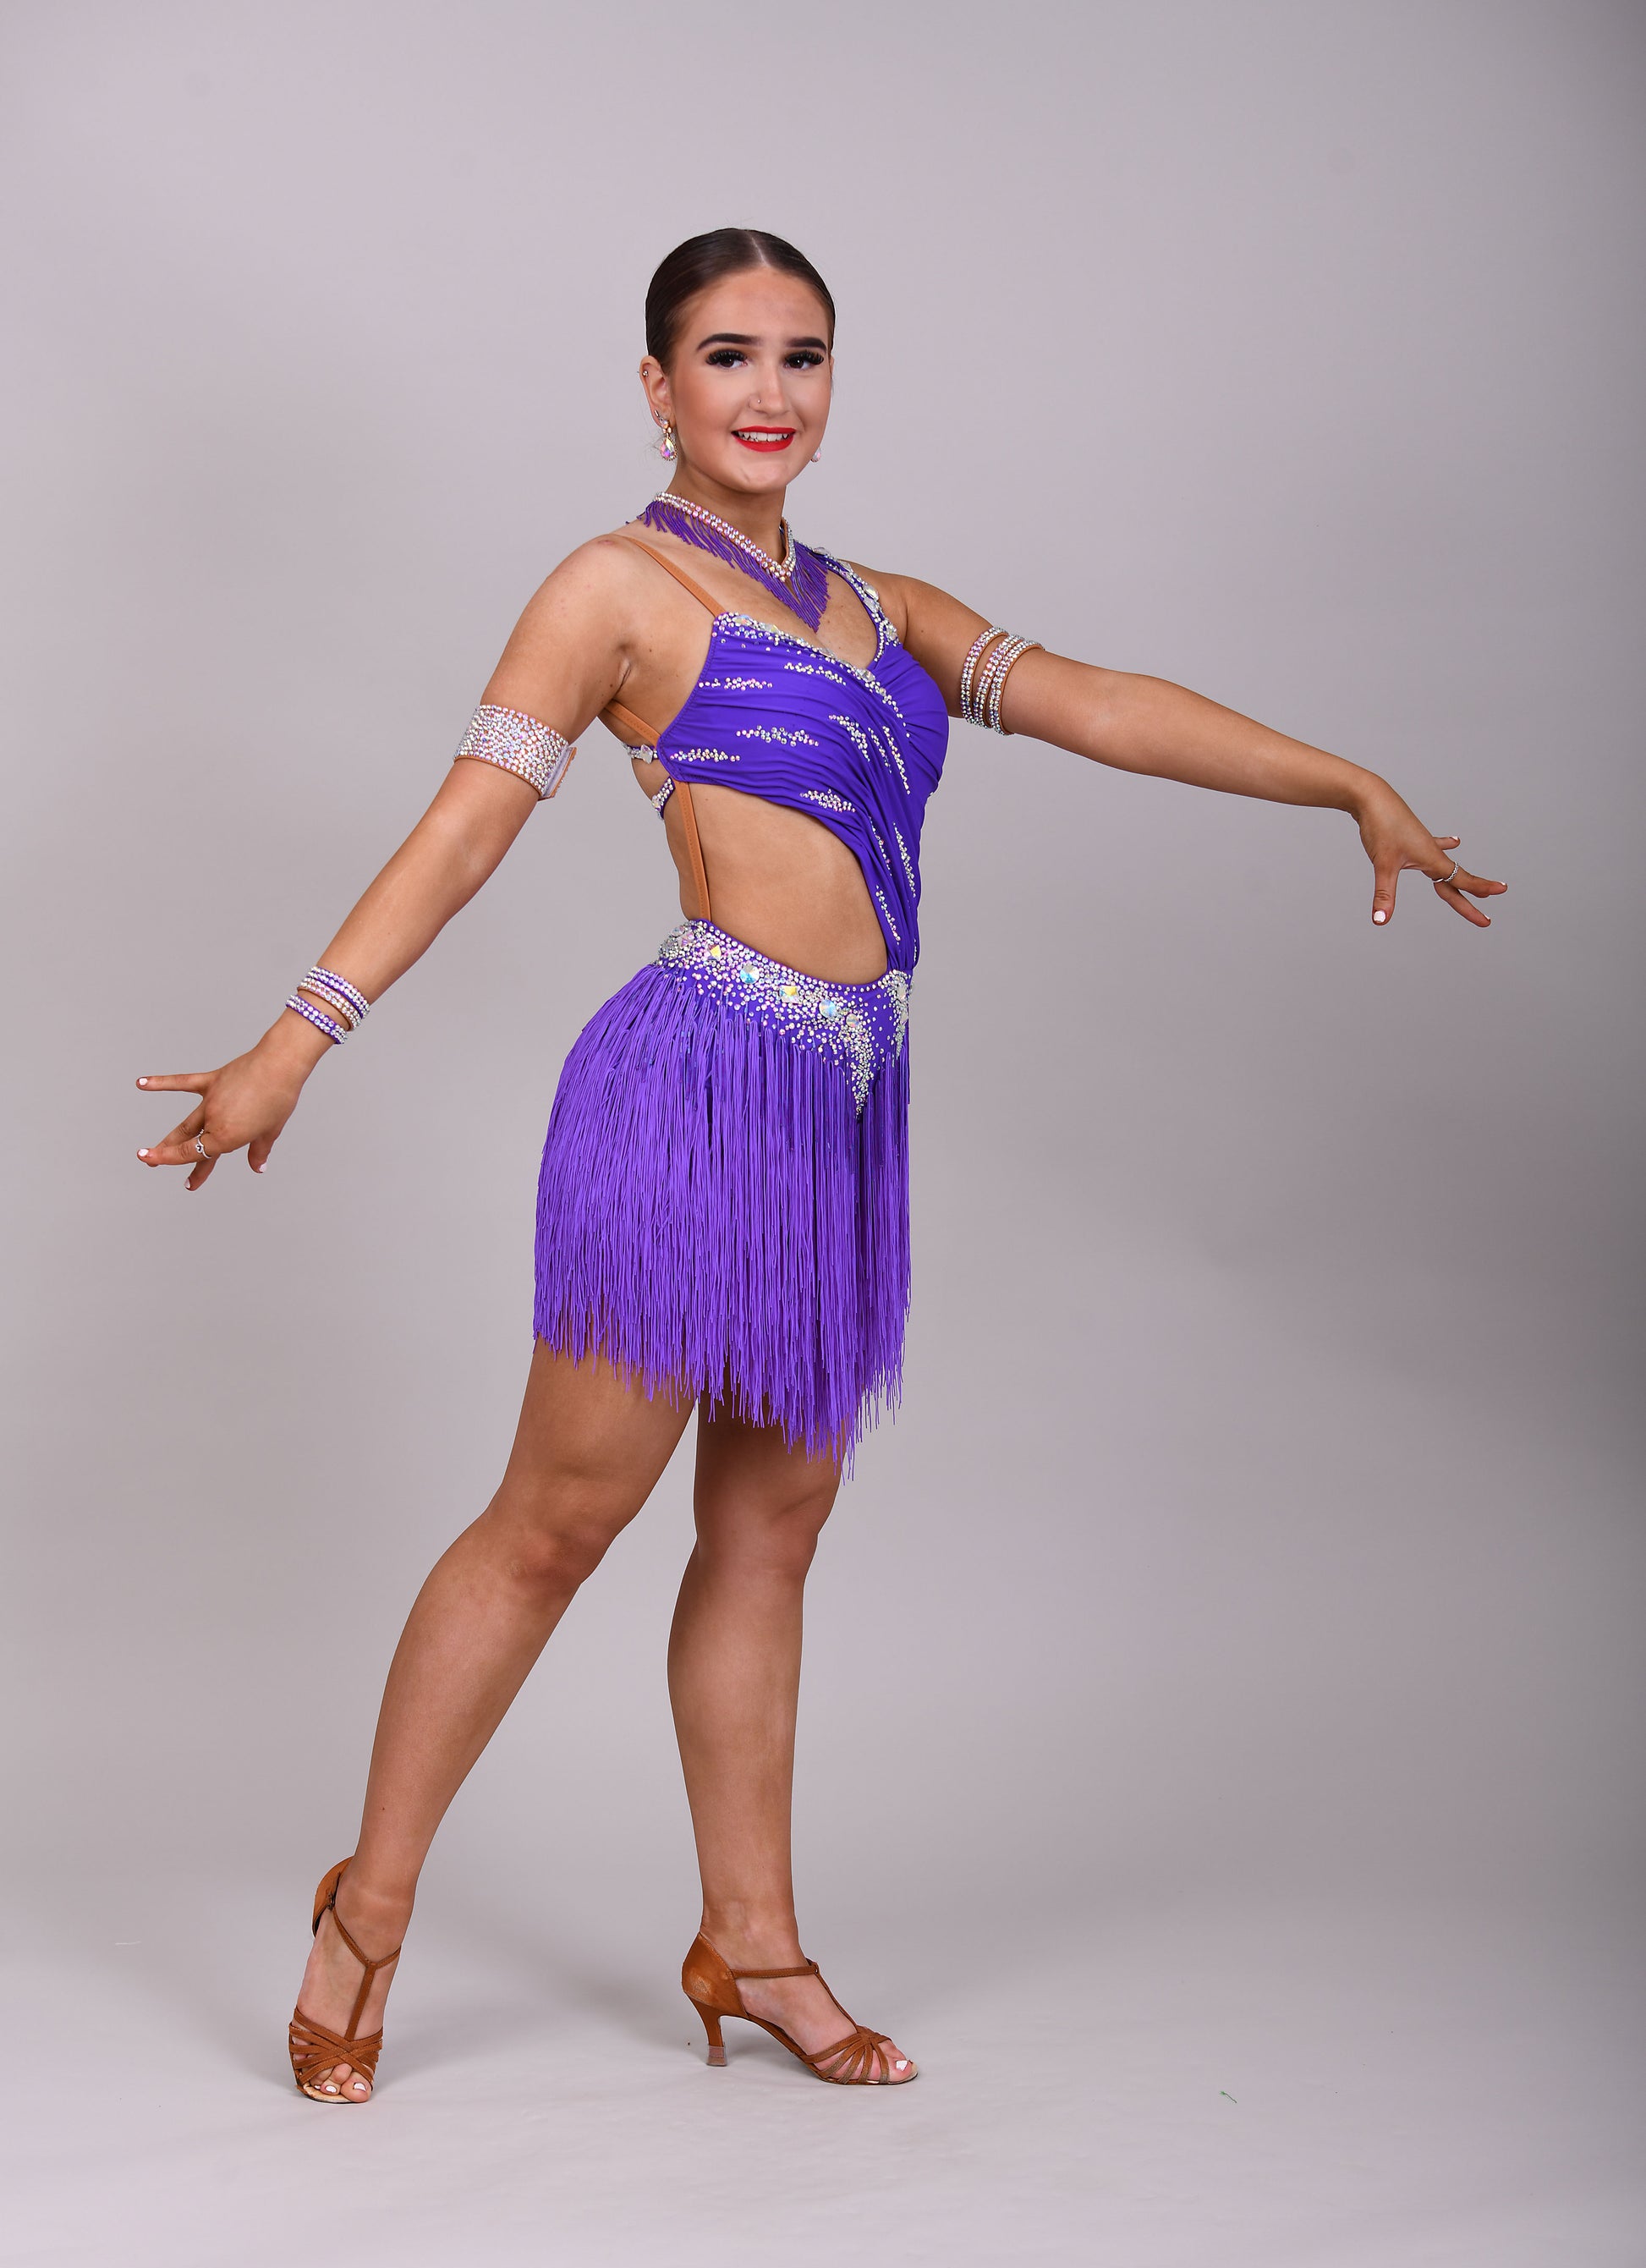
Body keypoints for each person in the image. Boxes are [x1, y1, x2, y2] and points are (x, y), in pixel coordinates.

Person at [135, 228, 1506, 2103]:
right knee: (555, 1523)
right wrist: (292, 1044)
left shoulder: (884, 605)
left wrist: (1343, 777)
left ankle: (753, 1940)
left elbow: (1101, 702)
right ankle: (366, 1910)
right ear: (657, 386)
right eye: (727, 355)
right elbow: (464, 830)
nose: (769, 392)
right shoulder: (612, 589)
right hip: (691, 1088)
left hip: (844, 1108)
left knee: (773, 1525)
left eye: (803, 354)